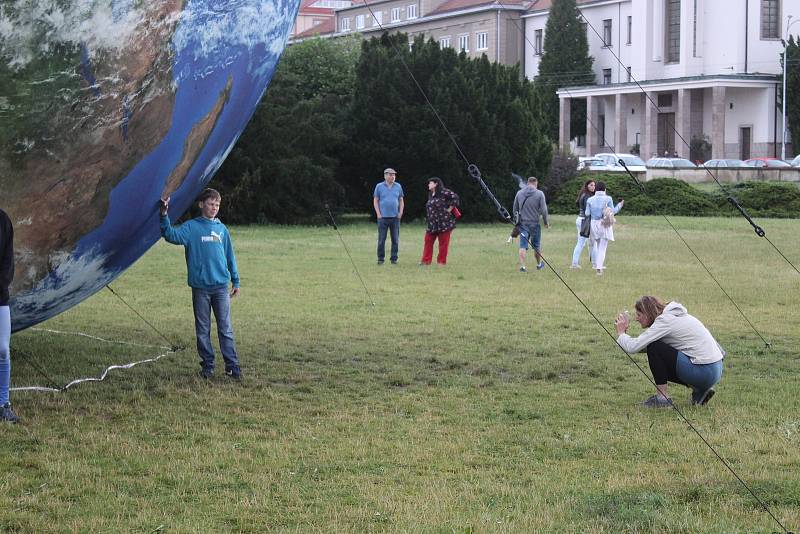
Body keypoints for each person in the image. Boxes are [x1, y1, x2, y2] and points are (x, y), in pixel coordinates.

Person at [160, 189, 242, 380]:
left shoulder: (222, 229)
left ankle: (232, 366)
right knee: (203, 329)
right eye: (211, 204)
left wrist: (235, 280)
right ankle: (208, 366)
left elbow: (230, 256)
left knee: (225, 328)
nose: (214, 208)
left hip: (221, 287)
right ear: (201, 205)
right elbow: (170, 235)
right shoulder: (191, 227)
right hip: (201, 288)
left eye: (217, 205)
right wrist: (164, 214)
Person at [614, 296, 725, 408]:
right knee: (656, 348)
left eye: (639, 315)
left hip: (703, 372)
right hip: (716, 370)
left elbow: (635, 347)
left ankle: (662, 399)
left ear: (648, 313)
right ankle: (701, 391)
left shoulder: (665, 321)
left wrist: (621, 333)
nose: (636, 319)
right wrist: (625, 337)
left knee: (654, 346)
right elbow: (641, 347)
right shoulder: (676, 316)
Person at [0, 209, 19, 423]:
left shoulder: (3, 220)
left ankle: (3, 404)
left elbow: (8, 264)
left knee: (3, 350)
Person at [584, 181, 623, 275]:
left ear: (596, 189)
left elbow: (587, 213)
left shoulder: (590, 200)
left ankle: (598, 265)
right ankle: (599, 267)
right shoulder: (608, 198)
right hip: (604, 223)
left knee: (597, 245)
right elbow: (613, 211)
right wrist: (620, 205)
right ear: (605, 189)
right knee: (602, 247)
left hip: (594, 224)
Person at [512, 176, 550, 272]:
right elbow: (544, 210)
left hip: (523, 224)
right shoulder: (539, 194)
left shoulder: (519, 193)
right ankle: (538, 264)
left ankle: (522, 267)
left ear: (528, 183)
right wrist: (546, 222)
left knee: (523, 245)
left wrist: (516, 221)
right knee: (536, 246)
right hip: (535, 224)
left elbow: (514, 209)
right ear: (535, 183)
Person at [419, 177, 460, 266]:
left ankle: (441, 262)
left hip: (444, 223)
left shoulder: (444, 192)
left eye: (430, 183)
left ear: (436, 184)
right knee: (428, 241)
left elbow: (455, 197)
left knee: (443, 244)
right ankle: (426, 261)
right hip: (432, 224)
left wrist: (449, 209)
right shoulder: (431, 194)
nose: (428, 185)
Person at [373, 168, 404, 265]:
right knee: (382, 239)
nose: (392, 176)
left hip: (395, 218)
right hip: (382, 218)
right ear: (385, 176)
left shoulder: (398, 186)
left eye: (394, 175)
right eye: (390, 175)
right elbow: (375, 200)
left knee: (395, 239)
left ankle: (394, 259)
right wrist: (378, 214)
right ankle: (380, 259)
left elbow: (401, 200)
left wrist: (400, 212)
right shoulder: (379, 186)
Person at [570, 179, 596, 269]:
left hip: (580, 219)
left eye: (594, 185)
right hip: (585, 221)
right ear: (587, 186)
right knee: (592, 242)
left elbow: (578, 205)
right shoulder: (587, 196)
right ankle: (595, 263)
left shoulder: (583, 194)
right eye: (591, 185)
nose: (593, 187)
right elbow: (587, 211)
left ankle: (574, 263)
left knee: (581, 243)